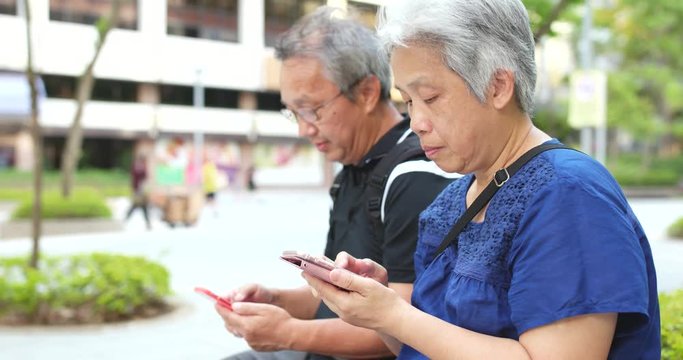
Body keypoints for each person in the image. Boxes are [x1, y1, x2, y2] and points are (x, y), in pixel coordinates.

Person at [302, 1, 661, 359]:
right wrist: (381, 313)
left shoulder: (567, 194)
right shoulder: (449, 202)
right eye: (409, 102)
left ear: (498, 86)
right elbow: (421, 347)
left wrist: (395, 314)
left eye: (430, 97)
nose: (416, 122)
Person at [215, 6, 458, 360]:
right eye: (293, 113)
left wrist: (286, 333)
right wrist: (275, 301)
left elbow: (407, 329)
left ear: (367, 92)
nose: (303, 129)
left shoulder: (415, 175)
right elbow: (335, 301)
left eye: (312, 109)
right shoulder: (351, 171)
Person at [125, 153, 151, 230]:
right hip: (139, 190)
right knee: (137, 206)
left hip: (138, 189)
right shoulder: (140, 167)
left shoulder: (137, 166)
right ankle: (147, 223)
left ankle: (147, 223)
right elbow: (144, 178)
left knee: (141, 206)